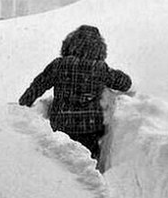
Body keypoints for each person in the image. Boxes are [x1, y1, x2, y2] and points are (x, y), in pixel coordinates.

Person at [18, 25, 132, 165]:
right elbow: (125, 83)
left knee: (61, 166)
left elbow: (37, 86)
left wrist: (22, 104)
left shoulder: (59, 65)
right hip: (89, 128)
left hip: (62, 126)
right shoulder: (100, 69)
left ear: (69, 44)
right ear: (99, 48)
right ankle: (91, 181)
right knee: (87, 166)